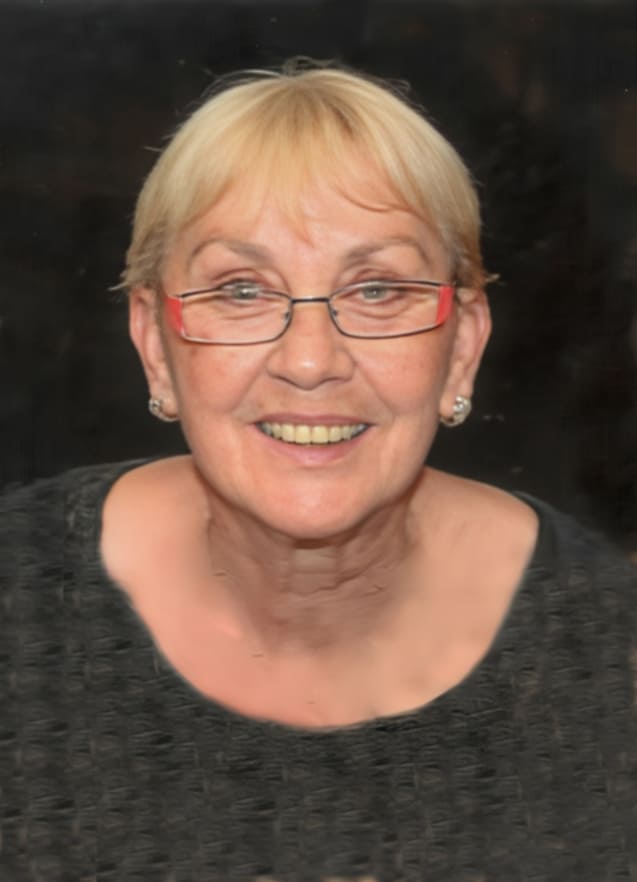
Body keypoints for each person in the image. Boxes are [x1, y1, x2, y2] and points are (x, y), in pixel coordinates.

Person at [2, 61, 636, 882]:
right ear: (156, 343)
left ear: (462, 346)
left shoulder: (612, 659)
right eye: (241, 290)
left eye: (377, 290)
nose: (309, 361)